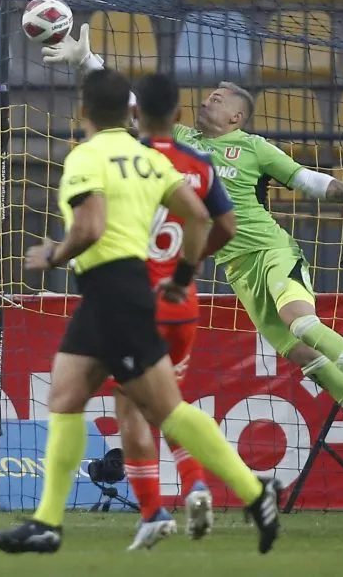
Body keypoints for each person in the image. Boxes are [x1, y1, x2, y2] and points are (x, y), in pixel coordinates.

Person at [42, 26, 343, 496]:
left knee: (301, 326)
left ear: (237, 115)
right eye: (208, 96)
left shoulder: (254, 147)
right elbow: (134, 104)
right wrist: (86, 61)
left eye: (218, 98)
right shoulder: (179, 140)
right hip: (239, 273)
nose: (208, 101)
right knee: (307, 360)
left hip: (272, 251)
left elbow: (307, 180)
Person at [0, 69, 281, 556]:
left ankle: (253, 492)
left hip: (115, 294)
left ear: (82, 108)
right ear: (128, 111)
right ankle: (47, 522)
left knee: (164, 410)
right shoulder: (146, 159)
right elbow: (201, 216)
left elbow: (91, 225)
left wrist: (53, 256)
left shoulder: (87, 155)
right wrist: (184, 277)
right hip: (115, 294)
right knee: (64, 395)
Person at [116, 73, 237, 550]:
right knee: (170, 406)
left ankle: (152, 511)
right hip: (181, 305)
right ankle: (198, 485)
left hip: (134, 306)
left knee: (131, 408)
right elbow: (225, 226)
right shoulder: (199, 164)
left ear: (135, 114)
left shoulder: (124, 164)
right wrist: (189, 264)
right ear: (181, 115)